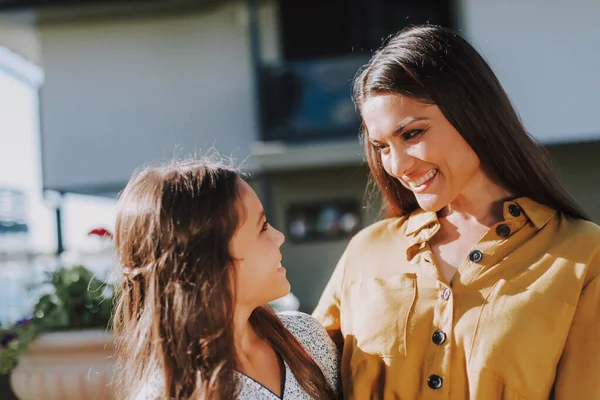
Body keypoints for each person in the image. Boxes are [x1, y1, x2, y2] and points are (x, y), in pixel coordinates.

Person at [313, 24, 600, 399]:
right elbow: (295, 375)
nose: (397, 166)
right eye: (381, 146)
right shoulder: (366, 252)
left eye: (412, 134)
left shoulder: (584, 256)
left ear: (471, 113)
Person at [112, 158, 340, 399]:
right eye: (262, 227)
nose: (279, 236)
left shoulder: (305, 336)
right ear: (209, 261)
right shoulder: (167, 394)